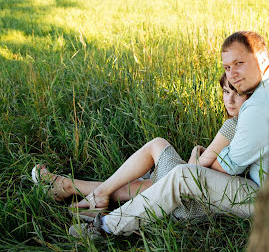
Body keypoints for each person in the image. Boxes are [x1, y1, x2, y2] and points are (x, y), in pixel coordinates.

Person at [32, 72, 249, 222]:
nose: (229, 100)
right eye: (225, 92)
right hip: (204, 205)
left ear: (249, 95)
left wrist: (196, 151)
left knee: (157, 145)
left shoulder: (234, 124)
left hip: (192, 202)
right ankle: (66, 187)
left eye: (237, 93)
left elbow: (195, 169)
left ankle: (95, 192)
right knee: (146, 184)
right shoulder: (251, 125)